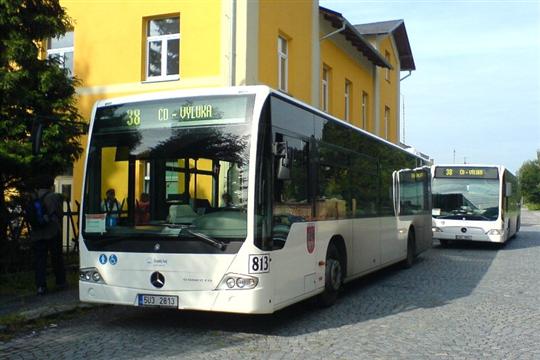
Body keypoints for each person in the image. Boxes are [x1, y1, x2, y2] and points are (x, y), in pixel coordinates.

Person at [30, 175, 66, 296]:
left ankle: (41, 286)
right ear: (51, 186)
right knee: (56, 257)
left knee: (40, 261)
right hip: (52, 232)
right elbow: (60, 214)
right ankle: (60, 282)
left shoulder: (33, 197)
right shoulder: (53, 197)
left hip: (37, 234)